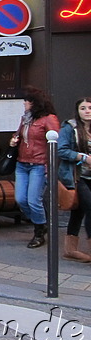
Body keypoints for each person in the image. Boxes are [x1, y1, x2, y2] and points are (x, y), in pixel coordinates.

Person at [9, 87, 60, 248]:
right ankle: (41, 222)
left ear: (34, 103)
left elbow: (55, 141)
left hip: (39, 164)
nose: (24, 103)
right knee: (21, 199)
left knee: (33, 199)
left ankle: (39, 231)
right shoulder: (25, 119)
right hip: (22, 162)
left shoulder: (48, 119)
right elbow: (18, 134)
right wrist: (13, 140)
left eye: (27, 101)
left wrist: (49, 165)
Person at [58, 97, 91, 263]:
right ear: (77, 111)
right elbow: (61, 150)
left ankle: (70, 249)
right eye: (83, 108)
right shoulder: (70, 128)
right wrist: (83, 157)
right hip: (78, 176)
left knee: (78, 212)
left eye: (89, 108)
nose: (87, 111)